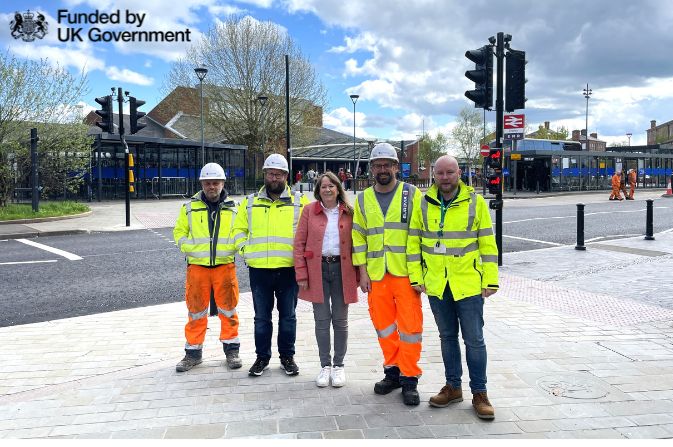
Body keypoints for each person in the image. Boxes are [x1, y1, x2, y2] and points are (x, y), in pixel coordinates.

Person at [407, 155, 499, 419]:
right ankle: (453, 387)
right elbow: (414, 244)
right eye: (440, 173)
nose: (445, 178)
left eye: (450, 172)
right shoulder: (423, 204)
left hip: (468, 284)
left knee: (474, 340)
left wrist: (490, 279)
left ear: (459, 173)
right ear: (434, 175)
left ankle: (480, 393)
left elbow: (487, 244)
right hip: (437, 285)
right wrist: (417, 277)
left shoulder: (475, 202)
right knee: (447, 338)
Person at [352, 142, 424, 406]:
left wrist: (420, 274)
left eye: (387, 164)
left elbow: (422, 233)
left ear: (396, 167)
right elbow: (358, 237)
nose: (382, 169)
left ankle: (409, 378)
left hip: (405, 273)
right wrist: (362, 272)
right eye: (377, 165)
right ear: (371, 168)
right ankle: (392, 372)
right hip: (376, 274)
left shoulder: (412, 194)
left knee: (410, 328)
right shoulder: (363, 199)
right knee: (384, 328)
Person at [232, 153, 310, 377]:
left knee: (288, 317)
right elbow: (238, 230)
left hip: (288, 269)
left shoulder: (300, 201)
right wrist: (246, 250)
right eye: (270, 173)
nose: (273, 177)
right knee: (261, 318)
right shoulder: (250, 202)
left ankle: (287, 357)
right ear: (264, 174)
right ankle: (262, 358)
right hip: (260, 270)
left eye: (278, 174)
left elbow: (310, 231)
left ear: (286, 176)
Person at [173, 163, 242, 372]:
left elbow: (241, 232)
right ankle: (192, 354)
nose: (212, 187)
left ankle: (232, 351)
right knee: (195, 311)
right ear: (202, 183)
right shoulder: (189, 208)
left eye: (215, 183)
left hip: (225, 265)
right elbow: (179, 232)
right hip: (197, 267)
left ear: (222, 183)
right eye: (208, 183)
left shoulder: (235, 208)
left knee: (228, 310)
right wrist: (189, 248)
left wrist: (234, 247)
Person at [294, 172, 359, 388]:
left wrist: (360, 274)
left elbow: (358, 243)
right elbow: (299, 244)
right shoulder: (309, 211)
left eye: (332, 186)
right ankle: (325, 366)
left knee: (340, 320)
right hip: (317, 269)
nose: (328, 190)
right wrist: (301, 273)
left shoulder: (349, 212)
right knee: (321, 320)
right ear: (318, 190)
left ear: (338, 188)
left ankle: (339, 365)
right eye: (323, 187)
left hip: (342, 270)